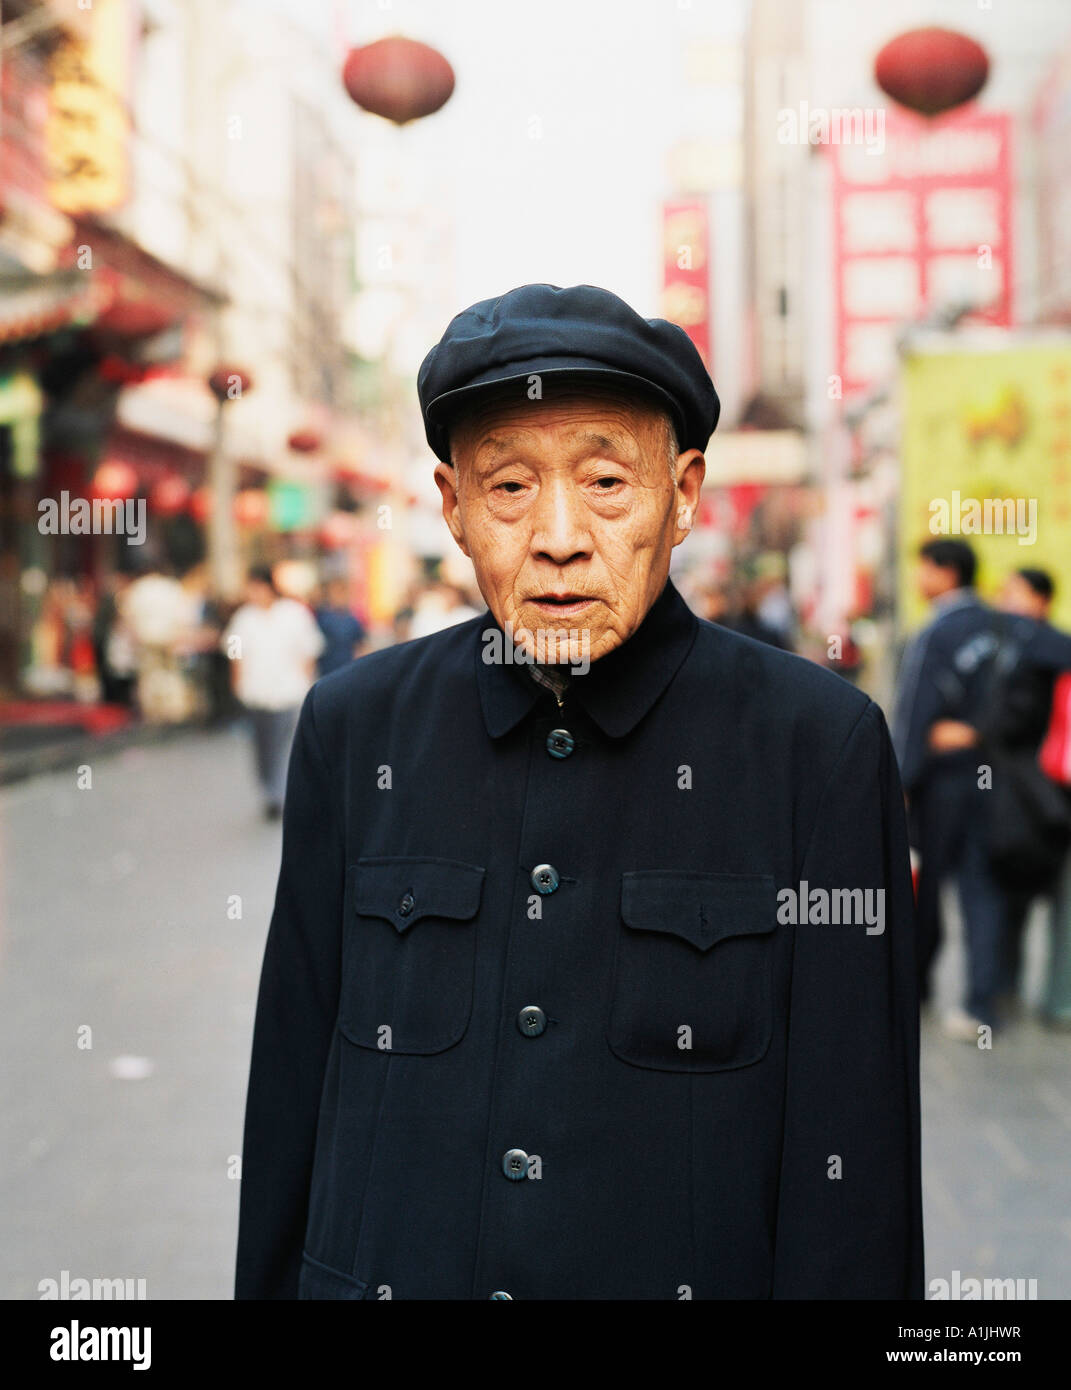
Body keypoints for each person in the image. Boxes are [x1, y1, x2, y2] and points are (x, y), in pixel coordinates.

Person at [236, 283, 922, 1300]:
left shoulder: (815, 748)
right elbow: (290, 1093)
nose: (558, 536)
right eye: (510, 487)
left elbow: (853, 1163)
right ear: (454, 506)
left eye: (606, 481)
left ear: (684, 496)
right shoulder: (355, 729)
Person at [223, 566, 324, 820]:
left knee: (286, 744)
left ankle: (283, 794)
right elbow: (235, 652)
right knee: (263, 746)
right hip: (257, 691)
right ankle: (269, 791)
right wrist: (237, 682)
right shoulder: (244, 618)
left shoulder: (294, 613)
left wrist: (305, 679)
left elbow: (309, 648)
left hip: (289, 691)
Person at [314, 578, 366, 678]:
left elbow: (360, 645)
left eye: (342, 593)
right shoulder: (322, 619)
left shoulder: (352, 620)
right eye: (336, 593)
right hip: (327, 670)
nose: (339, 597)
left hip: (347, 668)